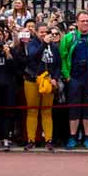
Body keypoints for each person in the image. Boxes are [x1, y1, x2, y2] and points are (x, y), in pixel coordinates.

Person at [60, 11, 88, 149]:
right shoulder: (69, 38)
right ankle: (73, 137)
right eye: (83, 21)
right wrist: (67, 76)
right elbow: (62, 57)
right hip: (74, 79)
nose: (85, 23)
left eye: (87, 21)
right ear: (77, 22)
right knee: (73, 109)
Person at [23, 23, 61, 151]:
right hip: (32, 80)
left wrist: (55, 78)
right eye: (41, 32)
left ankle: (48, 140)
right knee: (32, 110)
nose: (44, 34)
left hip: (48, 81)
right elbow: (33, 57)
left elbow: (57, 64)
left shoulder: (54, 47)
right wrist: (44, 44)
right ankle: (31, 139)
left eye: (46, 32)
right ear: (36, 33)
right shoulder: (32, 44)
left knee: (46, 110)